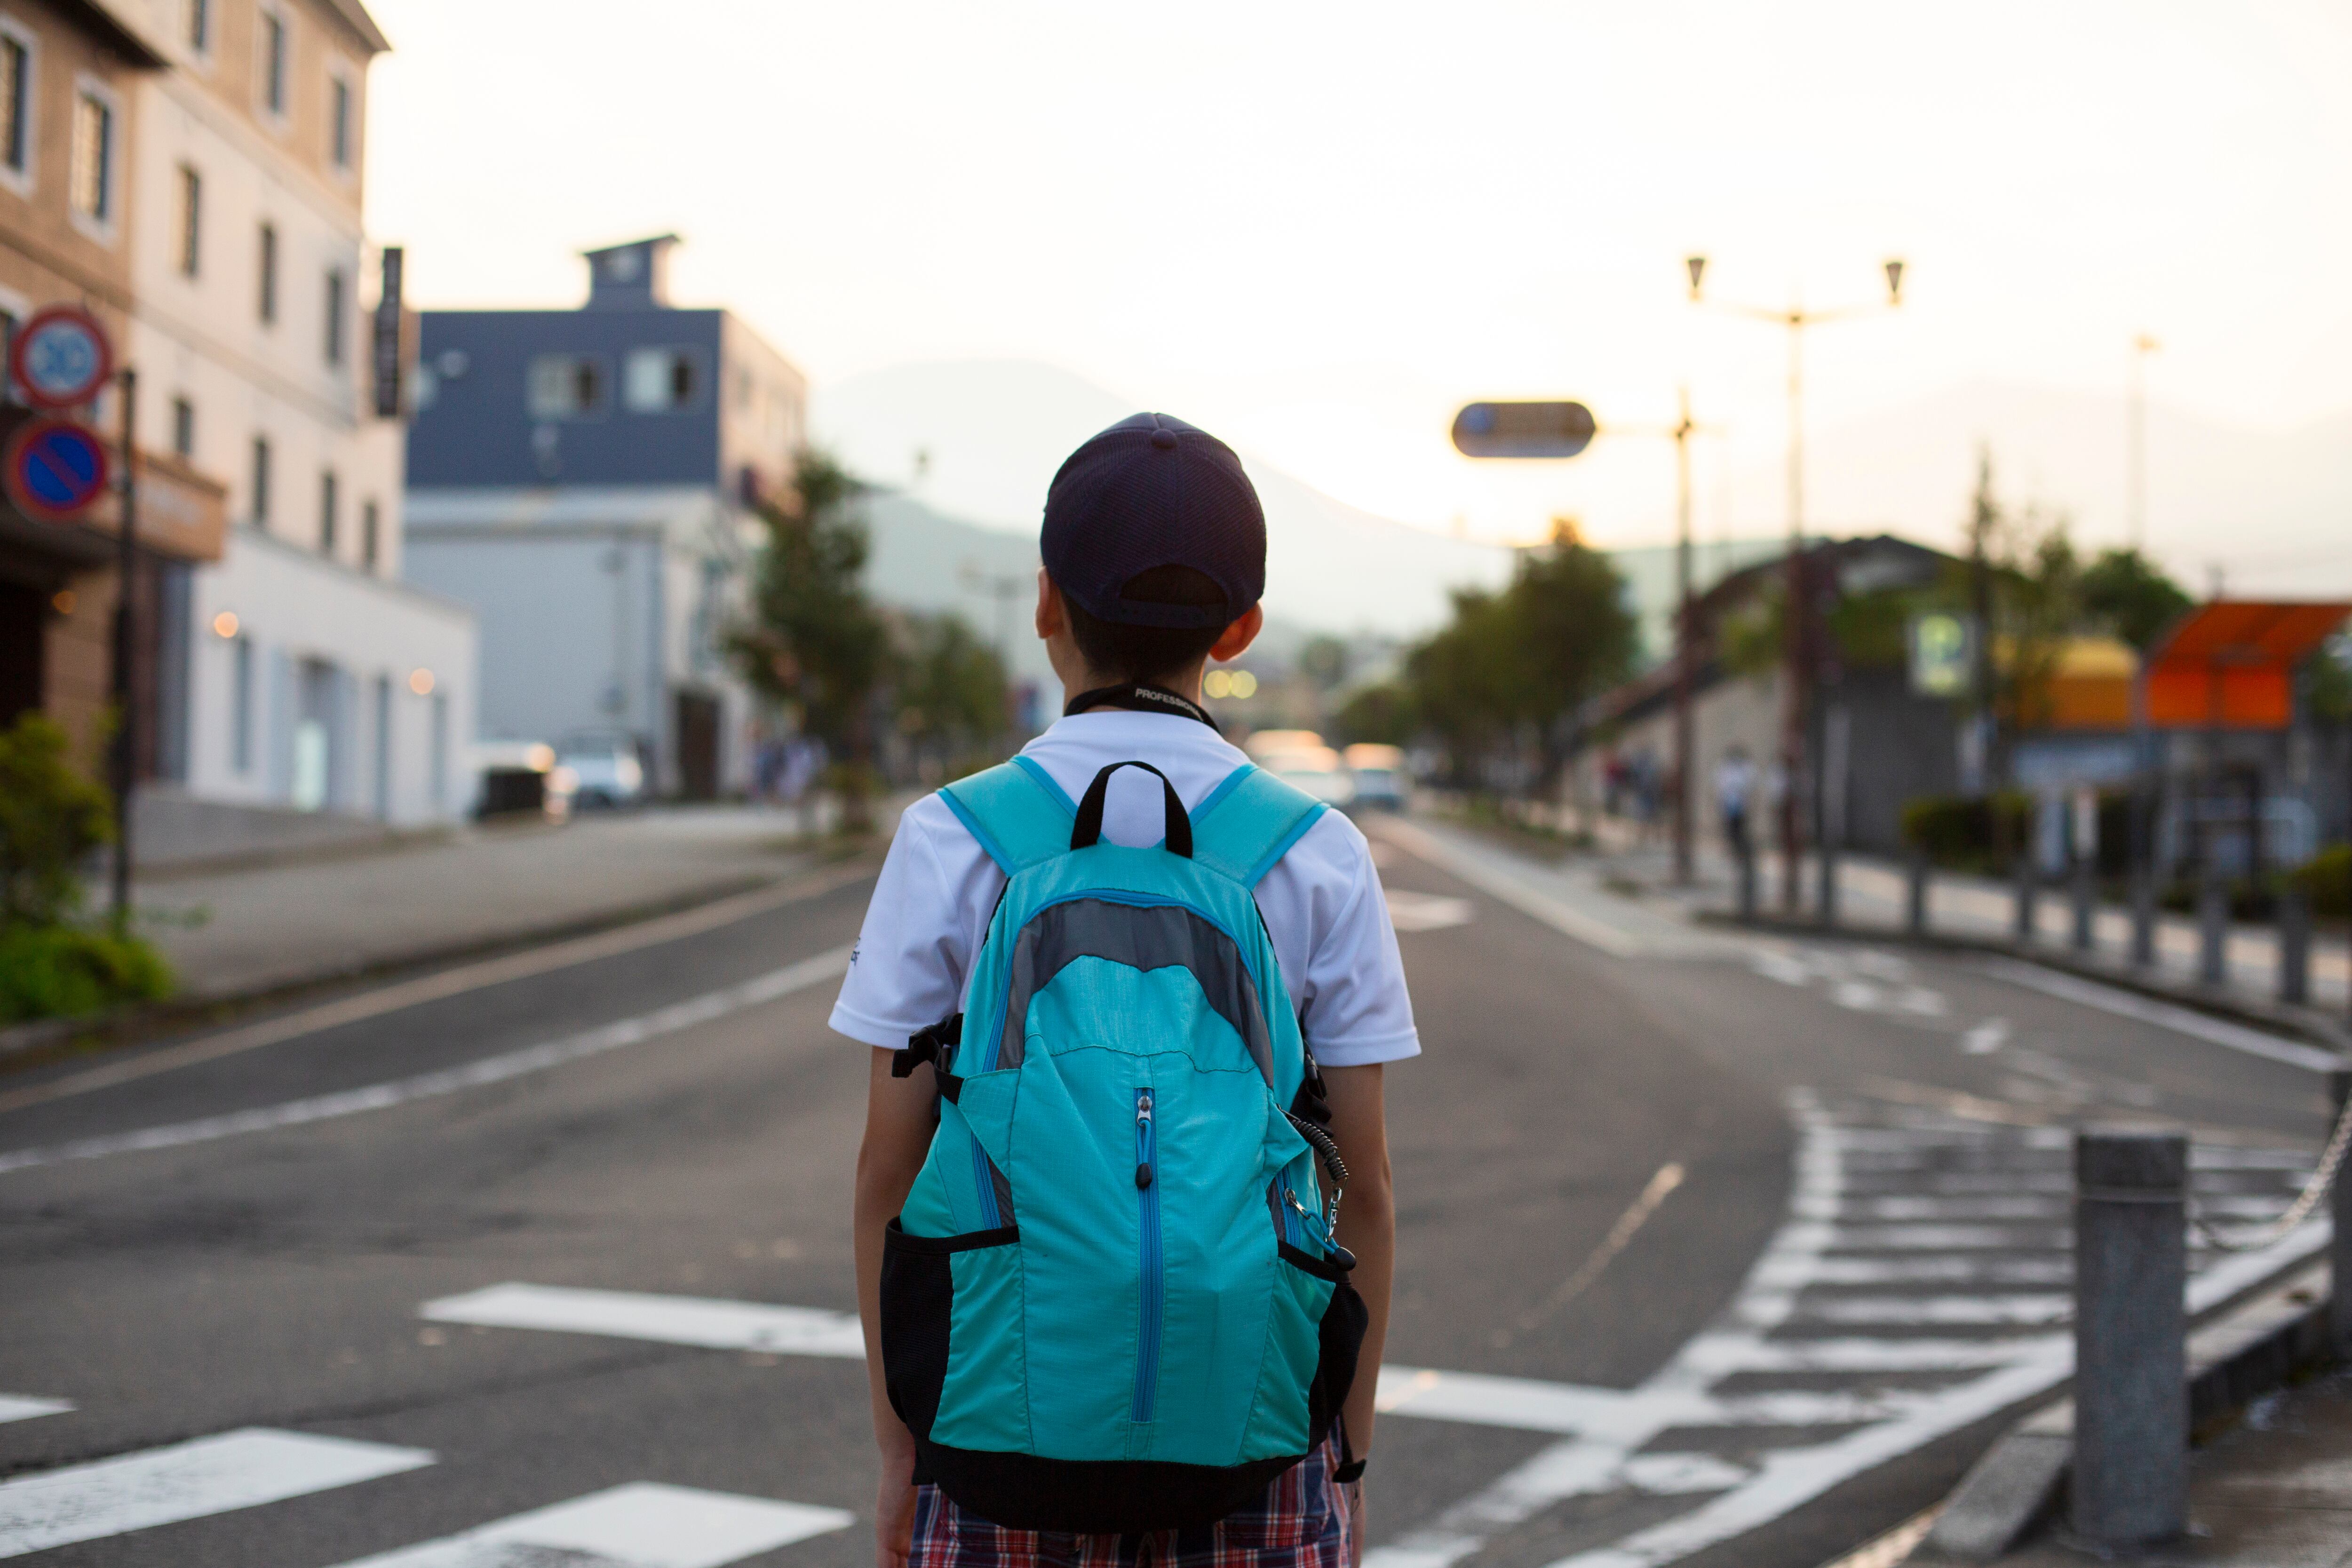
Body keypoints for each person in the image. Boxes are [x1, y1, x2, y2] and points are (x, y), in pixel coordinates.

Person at [834, 412, 1418, 1568]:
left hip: (994, 1442)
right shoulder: (1317, 853)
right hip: (1256, 1448)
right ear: (1240, 628)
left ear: (1046, 601)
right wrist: (1343, 1458)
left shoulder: (950, 837)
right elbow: (1367, 1191)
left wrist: (902, 1447)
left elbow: (887, 1179)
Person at [1716, 744, 1757, 863]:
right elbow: (1721, 787)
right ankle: (1734, 851)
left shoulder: (1745, 768)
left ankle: (1741, 852)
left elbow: (1750, 786)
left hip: (1740, 804)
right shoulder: (1726, 768)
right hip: (1730, 804)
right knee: (1731, 829)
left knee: (1740, 829)